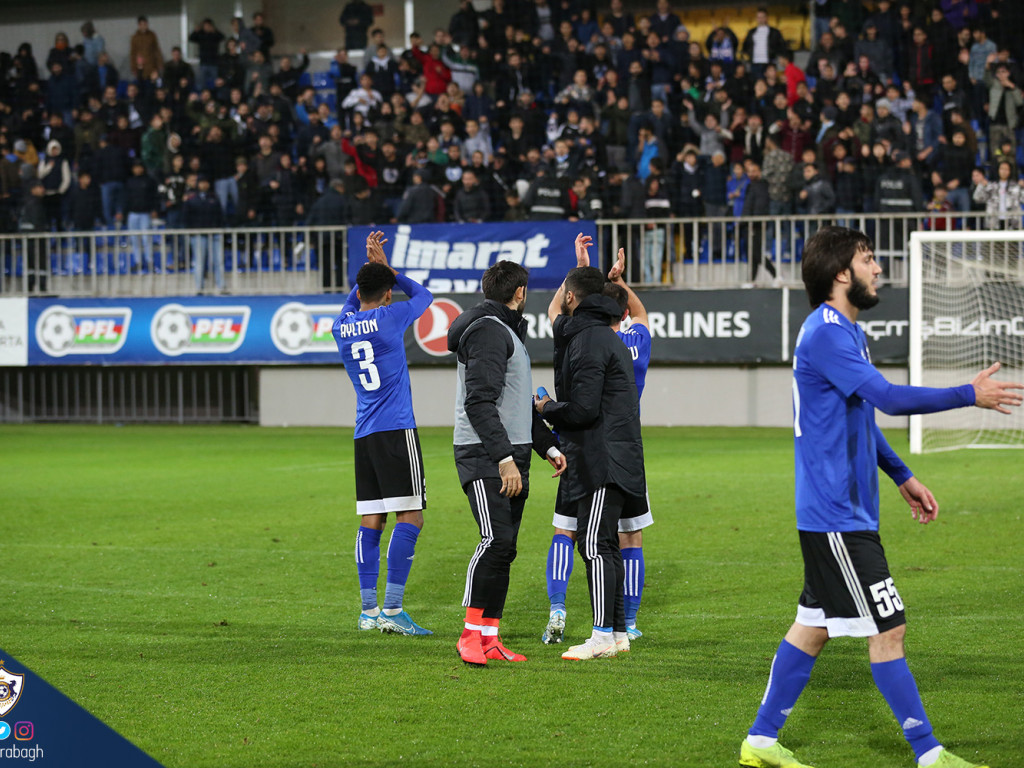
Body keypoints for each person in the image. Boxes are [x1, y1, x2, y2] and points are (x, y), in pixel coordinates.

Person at [738, 225, 1021, 768]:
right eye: (868, 259)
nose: (878, 268)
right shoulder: (826, 333)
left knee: (814, 626)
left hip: (842, 511)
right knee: (889, 628)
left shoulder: (845, 331)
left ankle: (761, 741)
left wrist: (900, 474)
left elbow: (863, 415)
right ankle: (929, 753)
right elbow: (888, 398)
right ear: (842, 272)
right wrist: (969, 393)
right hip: (836, 516)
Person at [448, 260, 566, 666]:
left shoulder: (504, 331)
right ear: (520, 293)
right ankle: (469, 635)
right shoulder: (489, 332)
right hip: (485, 454)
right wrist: (503, 459)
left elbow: (516, 404)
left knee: (506, 548)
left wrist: (548, 447)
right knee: (494, 541)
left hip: (510, 452)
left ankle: (489, 638)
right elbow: (479, 403)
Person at [535, 240, 647, 660]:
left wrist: (547, 409)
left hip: (602, 460)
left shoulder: (589, 341)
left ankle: (600, 636)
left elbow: (583, 409)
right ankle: (617, 632)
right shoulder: (605, 335)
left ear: (570, 297)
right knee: (609, 545)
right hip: (614, 455)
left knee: (595, 545)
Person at [332, 231, 434, 636]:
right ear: (389, 295)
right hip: (396, 429)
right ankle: (392, 609)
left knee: (371, 519)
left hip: (364, 434)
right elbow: (424, 295)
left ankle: (367, 611)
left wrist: (371, 272)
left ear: (358, 292)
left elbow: (355, 300)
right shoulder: (391, 316)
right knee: (411, 516)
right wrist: (389, 269)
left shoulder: (340, 327)